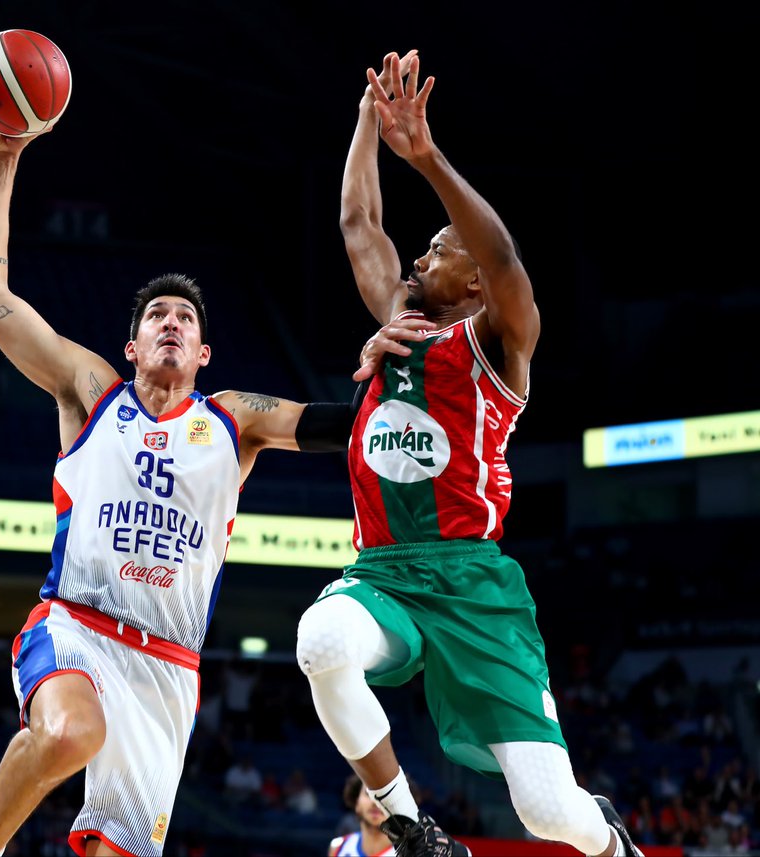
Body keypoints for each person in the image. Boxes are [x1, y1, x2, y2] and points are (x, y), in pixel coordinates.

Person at [0, 116, 419, 857]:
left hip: (169, 666)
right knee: (72, 731)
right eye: (156, 316)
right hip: (77, 623)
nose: (170, 322)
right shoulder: (91, 391)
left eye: (185, 318)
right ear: (132, 344)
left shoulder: (234, 419)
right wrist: (2, 156)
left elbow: (343, 424)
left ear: (203, 352)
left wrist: (387, 362)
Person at [295, 51, 645, 857]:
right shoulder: (397, 318)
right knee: (320, 642)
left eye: (437, 249)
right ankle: (413, 827)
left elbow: (505, 258)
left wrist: (425, 157)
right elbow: (358, 224)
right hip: (385, 569)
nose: (419, 259)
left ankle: (610, 842)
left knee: (549, 815)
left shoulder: (498, 340)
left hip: (474, 583)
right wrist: (365, 116)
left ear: (475, 283)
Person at [329, 775, 395, 857]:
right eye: (368, 793)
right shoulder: (338, 848)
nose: (375, 802)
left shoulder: (408, 853)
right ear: (357, 803)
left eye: (385, 795)